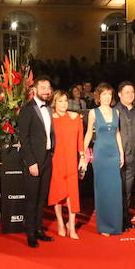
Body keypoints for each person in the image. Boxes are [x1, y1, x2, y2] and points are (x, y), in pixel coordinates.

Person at [17, 76, 57, 248]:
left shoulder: (48, 109)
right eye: (43, 88)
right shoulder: (27, 110)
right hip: (34, 161)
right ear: (34, 90)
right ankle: (30, 232)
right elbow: (23, 139)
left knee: (42, 198)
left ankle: (39, 229)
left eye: (48, 88)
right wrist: (31, 162)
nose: (47, 91)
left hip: (47, 157)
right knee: (32, 198)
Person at [84, 83, 124, 236]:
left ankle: (115, 225)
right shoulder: (93, 112)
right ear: (98, 97)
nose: (107, 97)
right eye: (104, 94)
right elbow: (89, 133)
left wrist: (121, 153)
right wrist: (82, 153)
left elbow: (117, 133)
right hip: (100, 154)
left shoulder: (116, 112)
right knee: (102, 190)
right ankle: (104, 226)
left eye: (109, 94)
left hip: (113, 153)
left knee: (114, 190)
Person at [48, 91, 85, 240]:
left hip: (71, 159)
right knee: (58, 191)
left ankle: (71, 224)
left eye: (65, 101)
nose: (64, 104)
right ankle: (60, 223)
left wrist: (82, 157)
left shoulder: (76, 117)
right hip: (56, 159)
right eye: (60, 101)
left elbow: (80, 139)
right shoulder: (50, 119)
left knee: (72, 192)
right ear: (54, 103)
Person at [116, 81, 135, 230]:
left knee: (128, 189)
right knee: (118, 190)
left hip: (134, 156)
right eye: (126, 92)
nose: (130, 95)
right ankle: (117, 219)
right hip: (119, 157)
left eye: (132, 92)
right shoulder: (114, 111)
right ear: (119, 94)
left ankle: (125, 219)